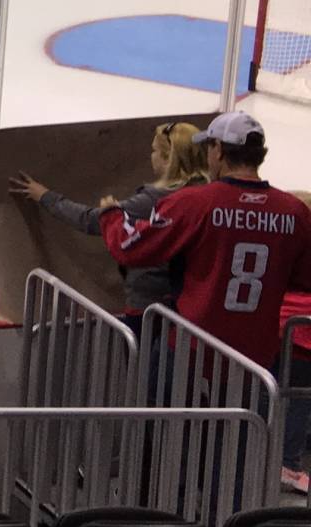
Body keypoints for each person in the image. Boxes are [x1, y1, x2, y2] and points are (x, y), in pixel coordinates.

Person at [103, 110, 311, 364]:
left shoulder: (194, 203)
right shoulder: (294, 212)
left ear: (219, 150)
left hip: (191, 350)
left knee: (163, 400)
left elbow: (130, 247)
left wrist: (111, 216)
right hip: (255, 358)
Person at [10, 122, 206, 325]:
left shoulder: (154, 200)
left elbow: (91, 220)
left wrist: (45, 196)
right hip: (188, 306)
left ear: (168, 160)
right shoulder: (205, 194)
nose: (151, 155)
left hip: (148, 308)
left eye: (154, 150)